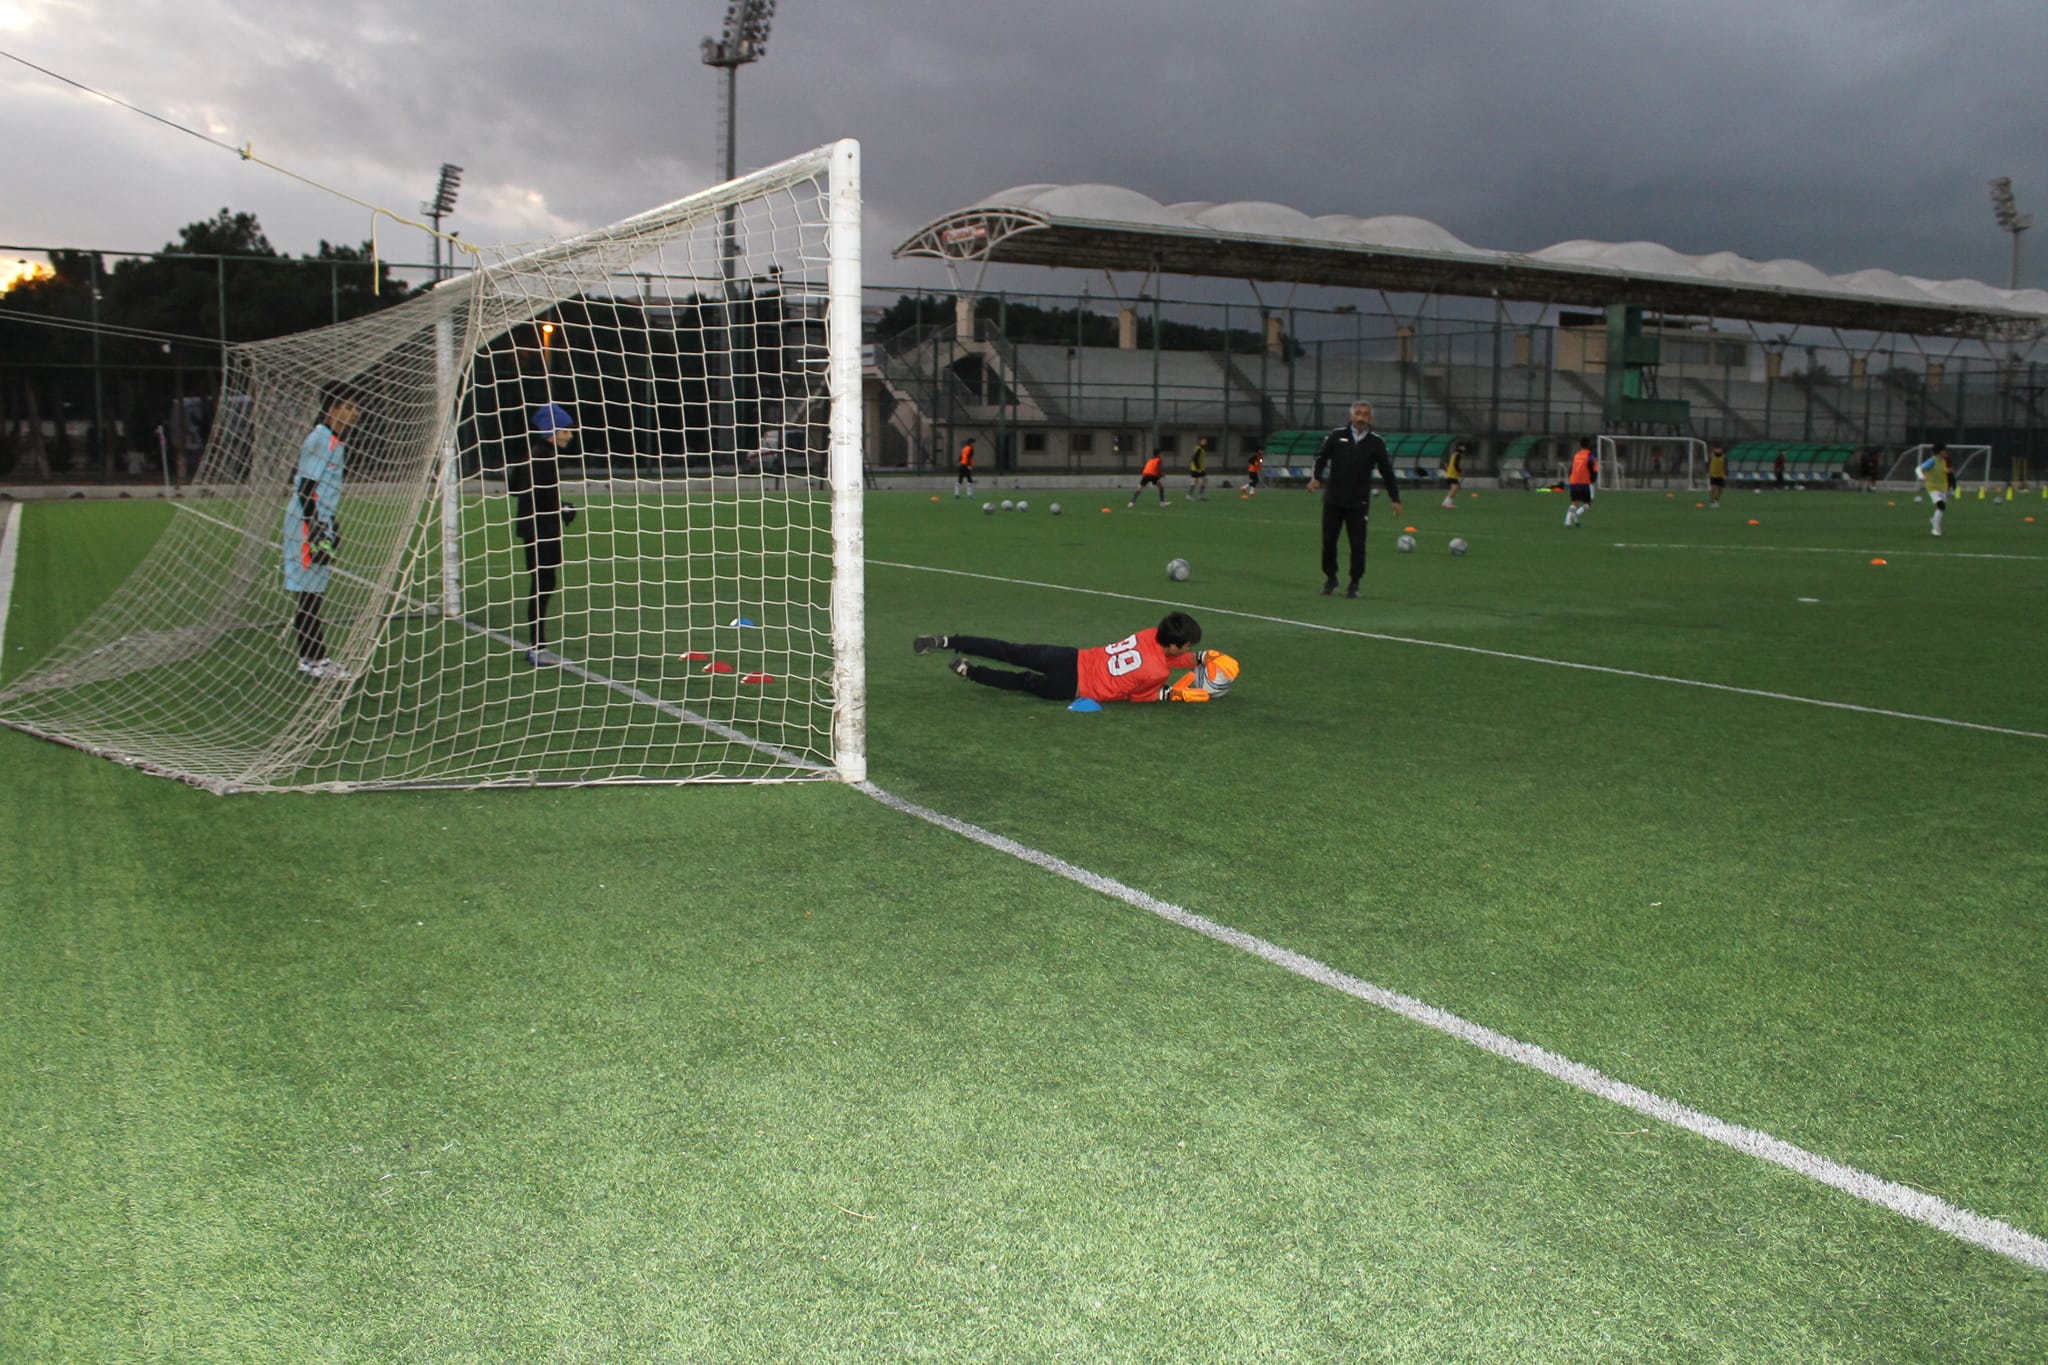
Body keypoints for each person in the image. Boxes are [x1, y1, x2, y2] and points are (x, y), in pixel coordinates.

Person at [913, 612, 1218, 704]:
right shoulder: (1157, 672)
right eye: (1189, 647)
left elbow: (1161, 658)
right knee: (1021, 682)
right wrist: (1172, 695)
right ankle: (971, 672)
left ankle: (947, 641)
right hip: (1073, 688)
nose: (1188, 651)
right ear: (1176, 645)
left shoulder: (1150, 633)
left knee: (1010, 650)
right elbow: (1138, 695)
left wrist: (1199, 659)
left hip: (1068, 657)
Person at [283, 384, 361, 680]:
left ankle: (310, 658)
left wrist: (331, 524)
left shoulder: (335, 440)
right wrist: (315, 527)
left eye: (356, 407)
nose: (355, 413)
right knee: (309, 593)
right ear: (332, 409)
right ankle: (315, 660)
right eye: (348, 406)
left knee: (314, 588)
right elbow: (305, 487)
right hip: (306, 522)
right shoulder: (321, 439)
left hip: (317, 520)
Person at [507, 401, 580, 665]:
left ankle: (538, 645)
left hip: (534, 528)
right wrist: (563, 508)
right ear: (552, 430)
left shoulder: (532, 454)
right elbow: (544, 497)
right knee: (543, 585)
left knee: (543, 584)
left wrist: (559, 505)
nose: (570, 435)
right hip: (542, 530)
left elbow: (514, 487)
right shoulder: (544, 457)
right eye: (566, 430)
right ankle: (537, 648)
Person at [1310, 400, 1401, 597]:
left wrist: (1395, 499)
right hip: (1333, 500)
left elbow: (1387, 472)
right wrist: (1316, 478)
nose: (1361, 417)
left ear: (1371, 418)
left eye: (1365, 414)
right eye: (1358, 413)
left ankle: (1354, 583)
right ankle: (1331, 578)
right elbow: (1321, 458)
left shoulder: (1376, 442)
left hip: (1358, 502)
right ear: (1352, 416)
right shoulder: (1337, 436)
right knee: (1328, 542)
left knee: (1358, 544)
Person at [1918, 443, 1951, 537]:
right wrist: (1922, 476)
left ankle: (1934, 521)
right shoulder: (1931, 461)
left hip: (1942, 488)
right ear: (1940, 451)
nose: (1946, 452)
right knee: (1941, 506)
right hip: (1932, 488)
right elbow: (1918, 469)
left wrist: (1947, 471)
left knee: (1941, 509)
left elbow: (1940, 471)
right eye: (1944, 450)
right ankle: (1935, 530)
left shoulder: (1943, 461)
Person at [1441, 441, 1466, 509]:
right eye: (1463, 447)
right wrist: (1460, 471)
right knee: (1454, 488)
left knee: (1456, 488)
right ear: (1459, 447)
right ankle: (1446, 503)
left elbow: (1451, 464)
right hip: (1452, 474)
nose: (1464, 448)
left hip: (1452, 474)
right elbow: (1455, 464)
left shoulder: (1454, 454)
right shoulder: (1457, 454)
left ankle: (1448, 502)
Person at [1707, 444, 1727, 508]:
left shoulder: (1724, 457)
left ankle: (1716, 499)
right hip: (1713, 474)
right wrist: (1707, 472)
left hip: (1721, 475)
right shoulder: (1711, 456)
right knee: (1713, 488)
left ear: (1721, 450)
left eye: (1719, 449)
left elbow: (1726, 466)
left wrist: (1726, 474)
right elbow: (1708, 464)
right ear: (1714, 449)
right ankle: (1712, 501)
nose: (1718, 450)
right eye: (1717, 449)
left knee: (1720, 490)